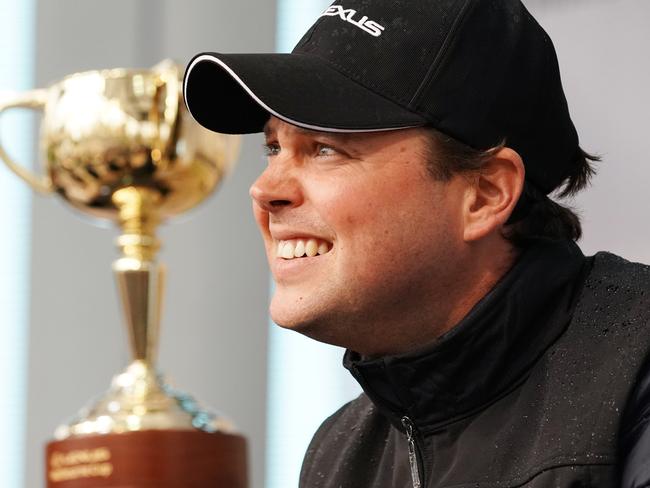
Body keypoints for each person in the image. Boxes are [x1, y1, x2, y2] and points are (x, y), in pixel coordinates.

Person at [182, 0, 650, 486]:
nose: (264, 190)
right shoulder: (338, 452)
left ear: (485, 196)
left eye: (324, 149)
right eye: (273, 148)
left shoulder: (636, 368)